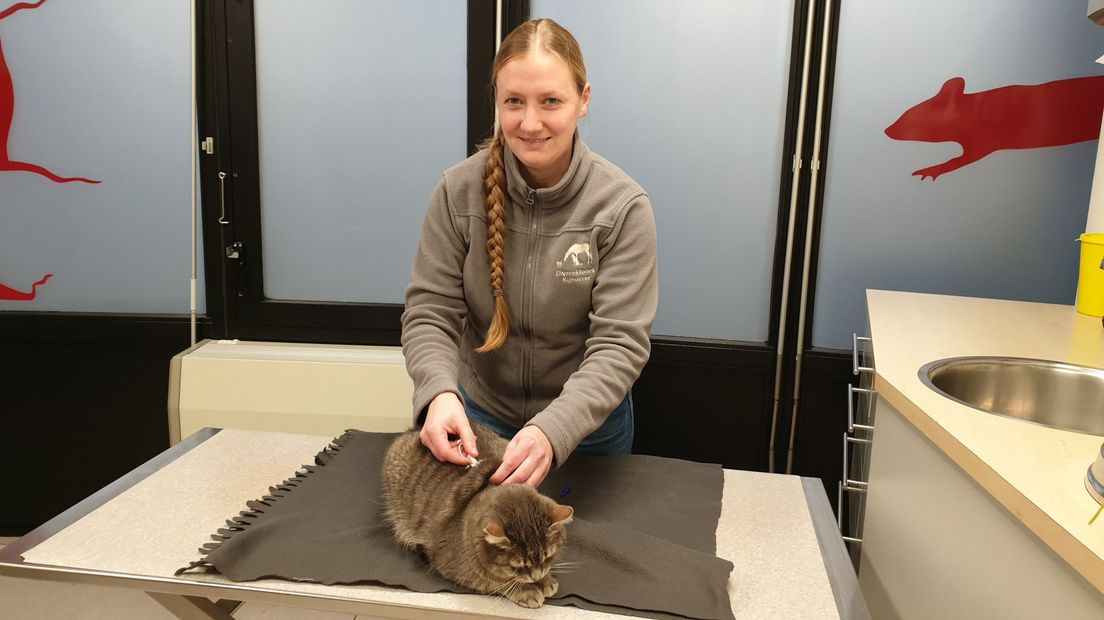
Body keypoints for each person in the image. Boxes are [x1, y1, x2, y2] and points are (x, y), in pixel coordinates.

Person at [400, 18, 658, 488]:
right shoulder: (458, 192)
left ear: (584, 101)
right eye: (513, 102)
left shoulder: (622, 207)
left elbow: (619, 344)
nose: (530, 122)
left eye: (551, 101)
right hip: (478, 422)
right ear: (497, 102)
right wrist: (438, 394)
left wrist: (552, 430)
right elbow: (429, 313)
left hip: (586, 436)